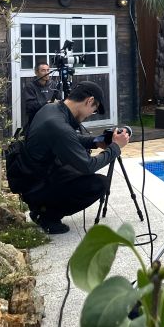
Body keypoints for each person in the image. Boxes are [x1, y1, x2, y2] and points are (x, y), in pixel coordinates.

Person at [21, 81, 130, 234]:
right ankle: (47, 215)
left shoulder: (51, 109)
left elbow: (68, 138)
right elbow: (88, 166)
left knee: (76, 168)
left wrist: (95, 142)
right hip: (36, 185)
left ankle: (42, 209)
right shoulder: (58, 125)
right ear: (89, 101)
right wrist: (115, 148)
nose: (89, 115)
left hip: (33, 176)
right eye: (93, 110)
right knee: (98, 184)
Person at [22, 60, 59, 133]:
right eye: (43, 70)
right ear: (36, 72)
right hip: (36, 121)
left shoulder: (53, 85)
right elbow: (30, 106)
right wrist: (47, 103)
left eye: (48, 70)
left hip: (53, 119)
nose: (47, 73)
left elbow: (59, 100)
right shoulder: (30, 86)